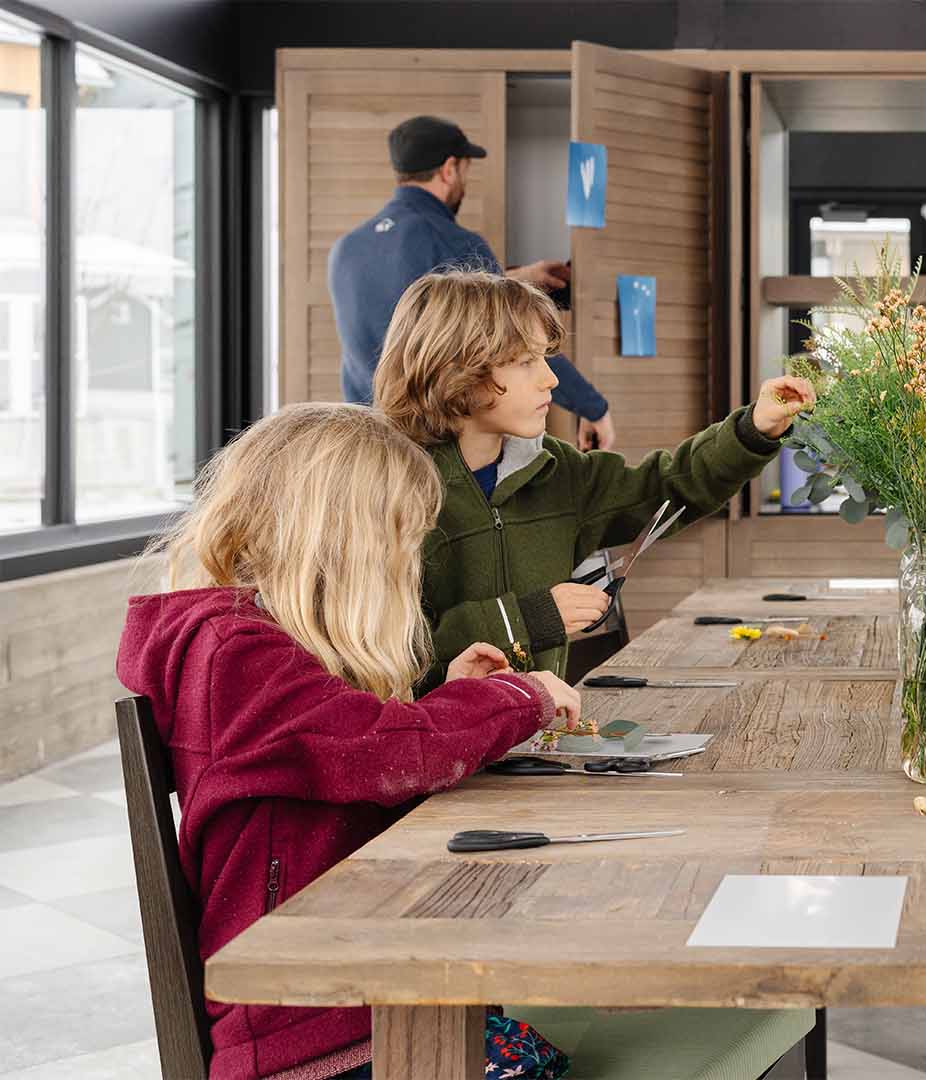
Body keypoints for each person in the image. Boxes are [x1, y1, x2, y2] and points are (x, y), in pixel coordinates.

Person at [115, 403, 582, 1079]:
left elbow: (349, 751)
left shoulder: (253, 643)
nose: (408, 563)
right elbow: (381, 751)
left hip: (359, 990)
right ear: (340, 539)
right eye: (400, 540)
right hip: (313, 1029)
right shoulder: (233, 650)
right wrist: (517, 696)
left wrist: (445, 699)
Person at [371, 269, 813, 687]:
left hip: (532, 740)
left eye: (545, 358)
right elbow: (381, 648)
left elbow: (668, 489)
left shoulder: (558, 471)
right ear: (456, 371)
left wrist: (755, 428)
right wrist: (529, 618)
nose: (549, 379)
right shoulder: (380, 490)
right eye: (526, 361)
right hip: (421, 750)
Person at [328, 114, 617, 451]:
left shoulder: (346, 248)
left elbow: (412, 301)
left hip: (370, 441)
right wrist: (594, 407)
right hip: (435, 444)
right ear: (449, 169)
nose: (464, 181)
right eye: (465, 170)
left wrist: (512, 280)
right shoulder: (455, 242)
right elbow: (513, 344)